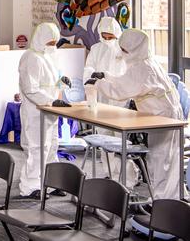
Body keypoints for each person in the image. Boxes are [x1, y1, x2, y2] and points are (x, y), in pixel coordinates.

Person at [88, 29, 183, 200]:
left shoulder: (142, 68)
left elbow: (120, 91)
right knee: (164, 160)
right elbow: (126, 80)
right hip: (164, 114)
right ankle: (164, 201)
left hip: (163, 118)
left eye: (125, 50)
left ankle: (163, 207)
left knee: (162, 162)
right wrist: (106, 76)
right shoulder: (146, 62)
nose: (123, 54)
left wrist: (99, 83)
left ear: (135, 49)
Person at [83, 17, 140, 187]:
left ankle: (126, 176)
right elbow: (89, 68)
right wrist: (91, 78)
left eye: (110, 37)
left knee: (120, 140)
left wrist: (110, 80)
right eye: (104, 36)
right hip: (102, 98)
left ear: (116, 35)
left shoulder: (123, 50)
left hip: (120, 100)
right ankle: (110, 173)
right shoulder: (96, 48)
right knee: (104, 137)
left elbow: (128, 75)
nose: (107, 40)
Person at [18, 22, 71, 199]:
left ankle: (51, 182)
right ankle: (30, 186)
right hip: (35, 112)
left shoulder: (47, 56)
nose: (52, 46)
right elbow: (30, 89)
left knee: (51, 146)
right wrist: (51, 101)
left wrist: (60, 83)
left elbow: (48, 84)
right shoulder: (30, 57)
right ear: (40, 40)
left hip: (49, 111)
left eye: (54, 43)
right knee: (36, 148)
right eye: (49, 43)